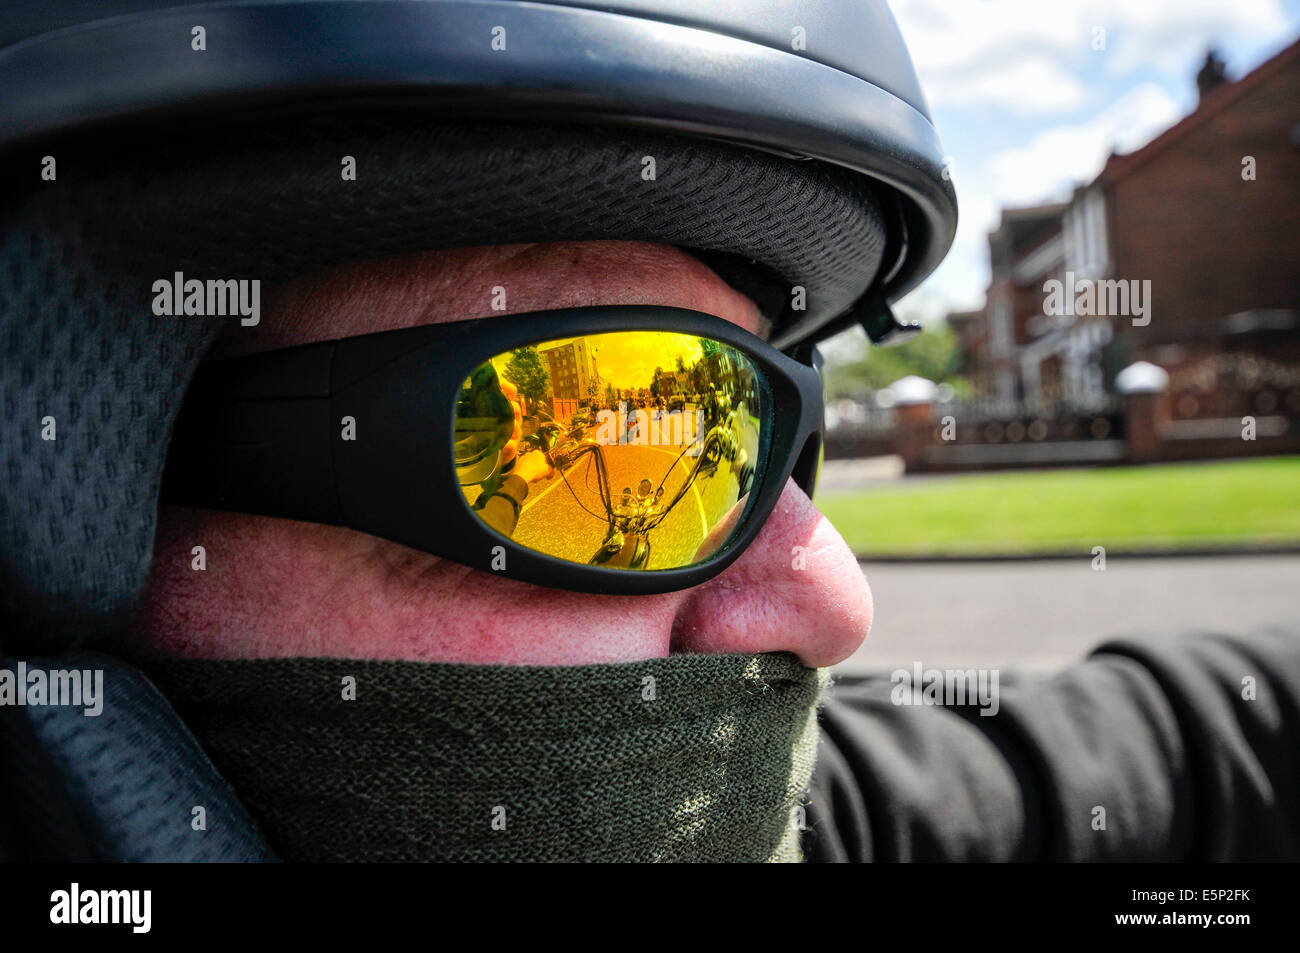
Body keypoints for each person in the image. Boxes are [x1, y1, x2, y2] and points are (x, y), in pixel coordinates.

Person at [0, 0, 1296, 864]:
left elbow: (1191, 736)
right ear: (97, 491)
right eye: (633, 421)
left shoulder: (771, 812)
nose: (836, 601)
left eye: (759, 434)